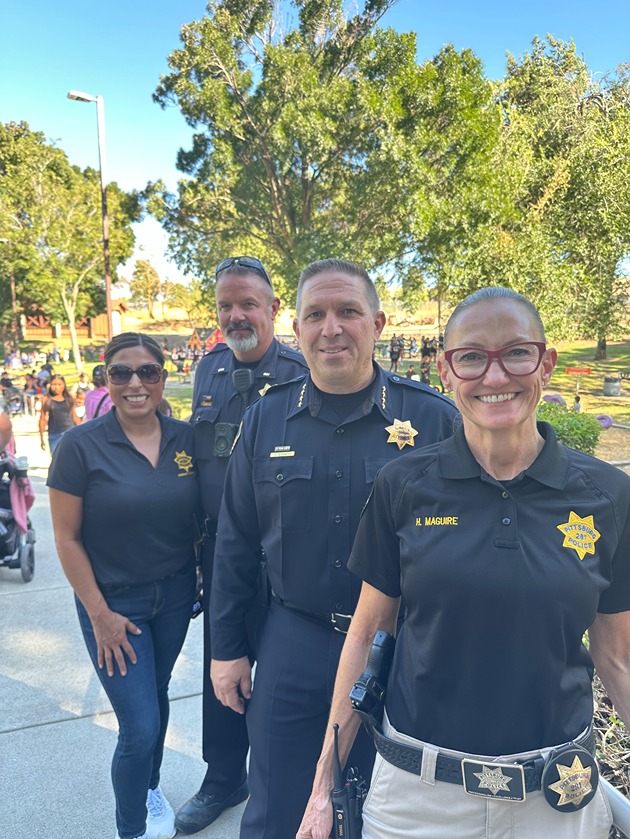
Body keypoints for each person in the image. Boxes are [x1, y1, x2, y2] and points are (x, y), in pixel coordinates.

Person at [298, 286, 630, 839]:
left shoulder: (607, 495)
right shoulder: (404, 485)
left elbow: (617, 658)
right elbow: (366, 634)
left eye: (516, 353)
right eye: (472, 357)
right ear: (446, 371)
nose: (495, 376)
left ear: (546, 362)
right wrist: (321, 786)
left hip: (555, 798)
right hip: (417, 798)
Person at [210, 258, 458, 839]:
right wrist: (227, 650)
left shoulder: (434, 420)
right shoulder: (266, 419)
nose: (332, 328)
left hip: (401, 646)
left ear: (378, 322)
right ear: (297, 328)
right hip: (294, 638)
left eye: (348, 311)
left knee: (390, 810)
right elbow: (235, 542)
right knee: (277, 808)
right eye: (316, 314)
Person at [47, 333, 201, 839]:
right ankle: (130, 828)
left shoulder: (187, 439)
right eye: (121, 373)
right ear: (106, 379)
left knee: (156, 695)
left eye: (147, 372)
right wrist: (100, 615)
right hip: (114, 604)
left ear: (163, 378)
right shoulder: (80, 446)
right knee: (139, 727)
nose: (136, 383)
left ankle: (150, 787)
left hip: (175, 595)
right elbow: (67, 539)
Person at [175, 256, 308, 835]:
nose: (236, 315)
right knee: (223, 666)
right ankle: (224, 777)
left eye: (248, 304)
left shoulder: (303, 370)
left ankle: (282, 780)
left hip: (282, 554)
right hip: (220, 556)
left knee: (278, 672)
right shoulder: (209, 370)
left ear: (273, 309)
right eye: (225, 305)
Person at [38, 375, 80, 454]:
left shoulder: (69, 398)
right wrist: (42, 438)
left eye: (59, 384)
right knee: (56, 458)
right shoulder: (46, 399)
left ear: (64, 385)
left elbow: (75, 417)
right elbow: (42, 419)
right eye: (54, 384)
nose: (56, 387)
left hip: (70, 433)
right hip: (54, 434)